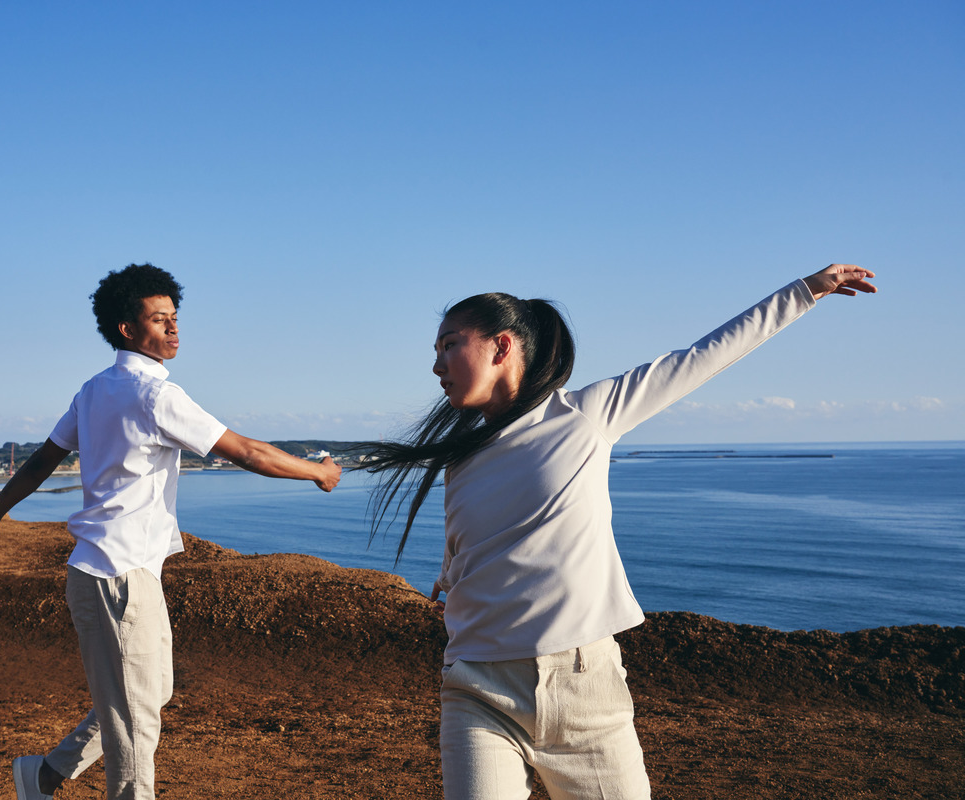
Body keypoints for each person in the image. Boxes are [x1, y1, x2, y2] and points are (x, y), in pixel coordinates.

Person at [359, 264, 876, 800]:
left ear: (500, 346)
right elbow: (477, 535)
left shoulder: (585, 416)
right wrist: (449, 576)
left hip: (586, 692)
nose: (436, 365)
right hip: (478, 691)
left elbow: (699, 359)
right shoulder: (461, 462)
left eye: (449, 345)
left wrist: (805, 291)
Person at [0, 263, 341, 800]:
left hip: (115, 573)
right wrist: (320, 472)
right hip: (119, 578)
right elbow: (250, 453)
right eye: (158, 319)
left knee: (147, 695)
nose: (173, 328)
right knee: (137, 727)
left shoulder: (94, 390)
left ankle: (44, 775)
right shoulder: (154, 396)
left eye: (174, 317)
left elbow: (42, 461)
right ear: (126, 329)